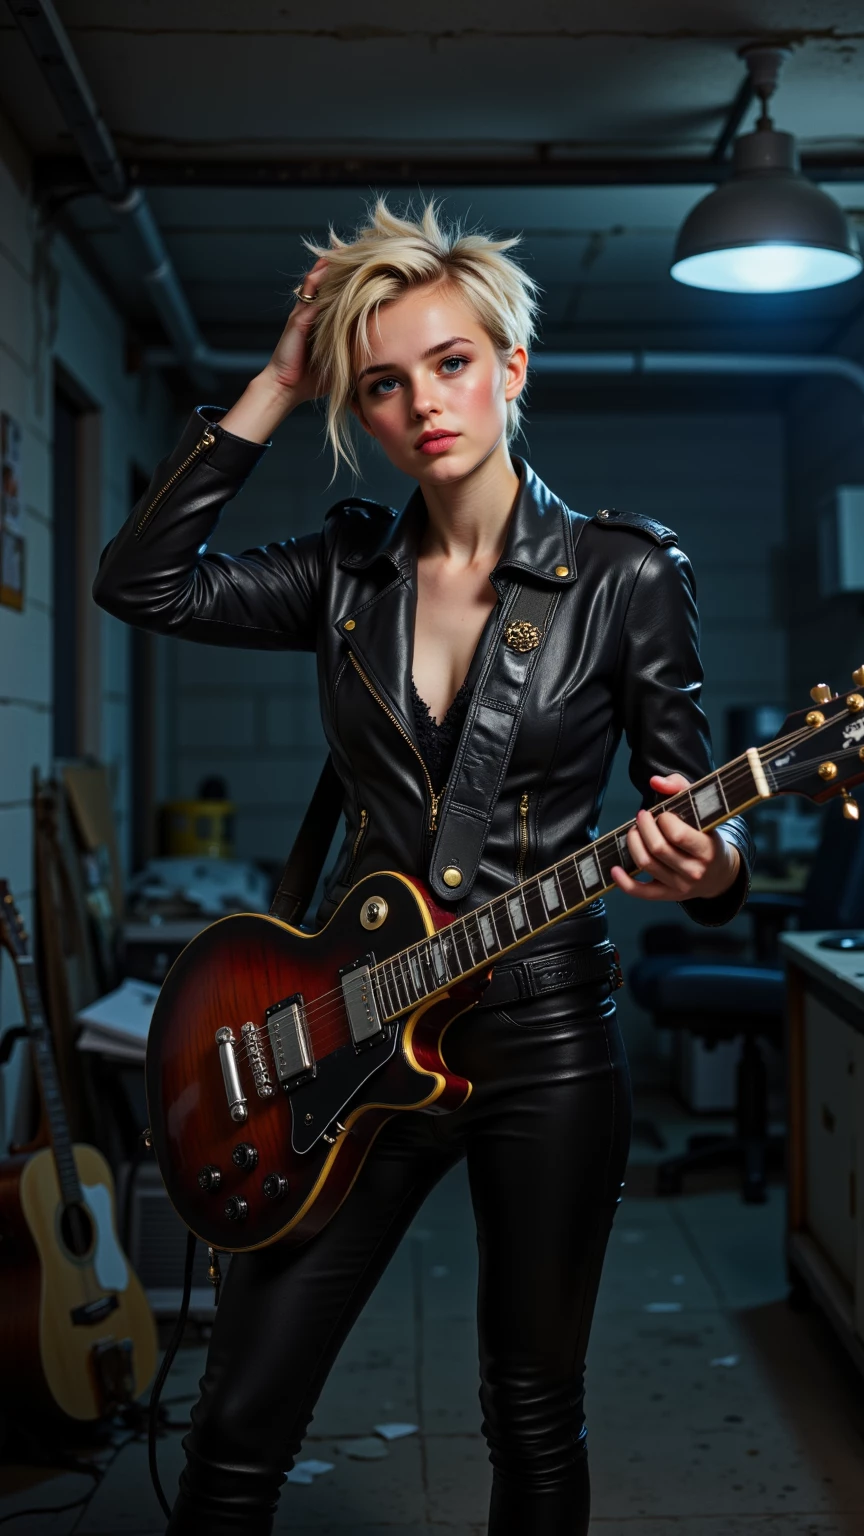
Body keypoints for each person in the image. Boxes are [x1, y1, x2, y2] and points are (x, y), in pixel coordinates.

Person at [93, 199, 754, 1535]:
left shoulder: (626, 574)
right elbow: (140, 582)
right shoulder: (341, 571)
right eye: (382, 384)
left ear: (512, 366)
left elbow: (700, 807)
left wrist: (708, 866)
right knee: (236, 1427)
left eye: (452, 363)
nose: (424, 405)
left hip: (544, 1039)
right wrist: (281, 377)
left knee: (532, 1414)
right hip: (349, 1027)